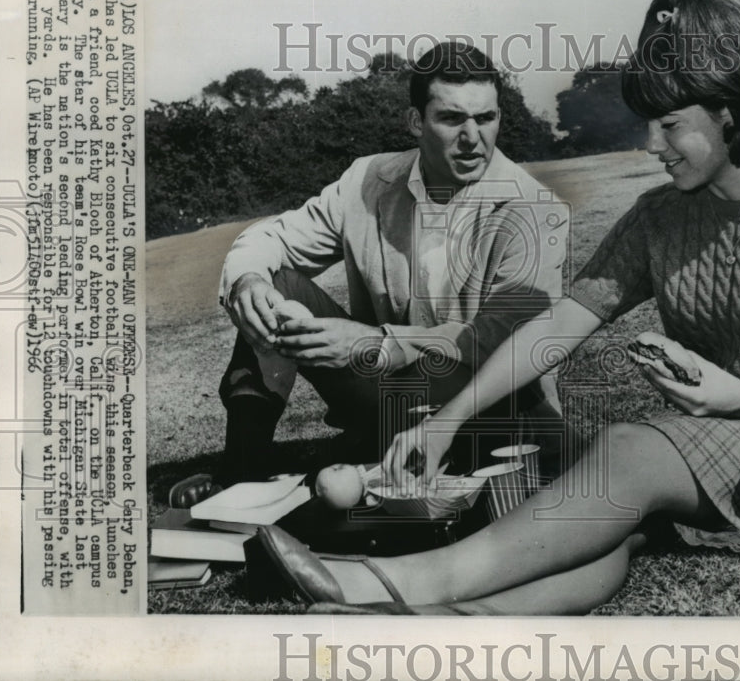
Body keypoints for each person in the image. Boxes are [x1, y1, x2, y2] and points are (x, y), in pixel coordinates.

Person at [255, 0, 740, 614]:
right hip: (708, 447)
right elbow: (555, 328)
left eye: (670, 125)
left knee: (626, 450)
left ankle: (389, 583)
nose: (651, 144)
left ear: (729, 114)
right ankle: (459, 622)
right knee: (605, 523)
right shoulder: (661, 216)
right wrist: (446, 420)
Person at [169, 42, 569, 507]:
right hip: (387, 401)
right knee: (274, 286)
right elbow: (271, 238)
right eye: (452, 118)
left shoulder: (534, 208)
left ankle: (398, 464)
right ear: (416, 122)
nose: (472, 138)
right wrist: (247, 282)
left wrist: (375, 342)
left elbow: (511, 340)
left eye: (485, 118)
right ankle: (240, 473)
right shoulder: (368, 179)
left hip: (490, 414)